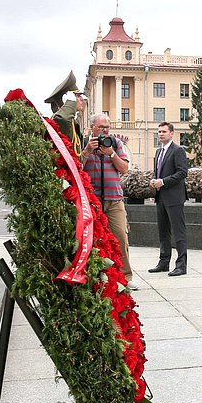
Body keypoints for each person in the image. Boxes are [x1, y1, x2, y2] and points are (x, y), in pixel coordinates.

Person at [82, 113, 139, 290]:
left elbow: (124, 169)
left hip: (114, 200)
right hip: (92, 201)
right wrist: (86, 152)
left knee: (121, 236)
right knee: (92, 239)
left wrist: (111, 153)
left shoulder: (116, 143)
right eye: (101, 127)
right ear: (92, 128)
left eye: (107, 127)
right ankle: (94, 276)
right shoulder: (84, 143)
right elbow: (76, 168)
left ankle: (126, 277)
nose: (105, 131)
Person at [148, 121, 188, 277]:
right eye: (159, 132)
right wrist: (153, 179)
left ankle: (181, 265)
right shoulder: (159, 152)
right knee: (163, 232)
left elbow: (182, 172)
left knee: (179, 232)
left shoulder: (178, 151)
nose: (161, 134)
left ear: (172, 133)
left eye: (164, 131)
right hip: (161, 197)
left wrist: (163, 181)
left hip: (174, 197)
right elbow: (157, 172)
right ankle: (164, 262)